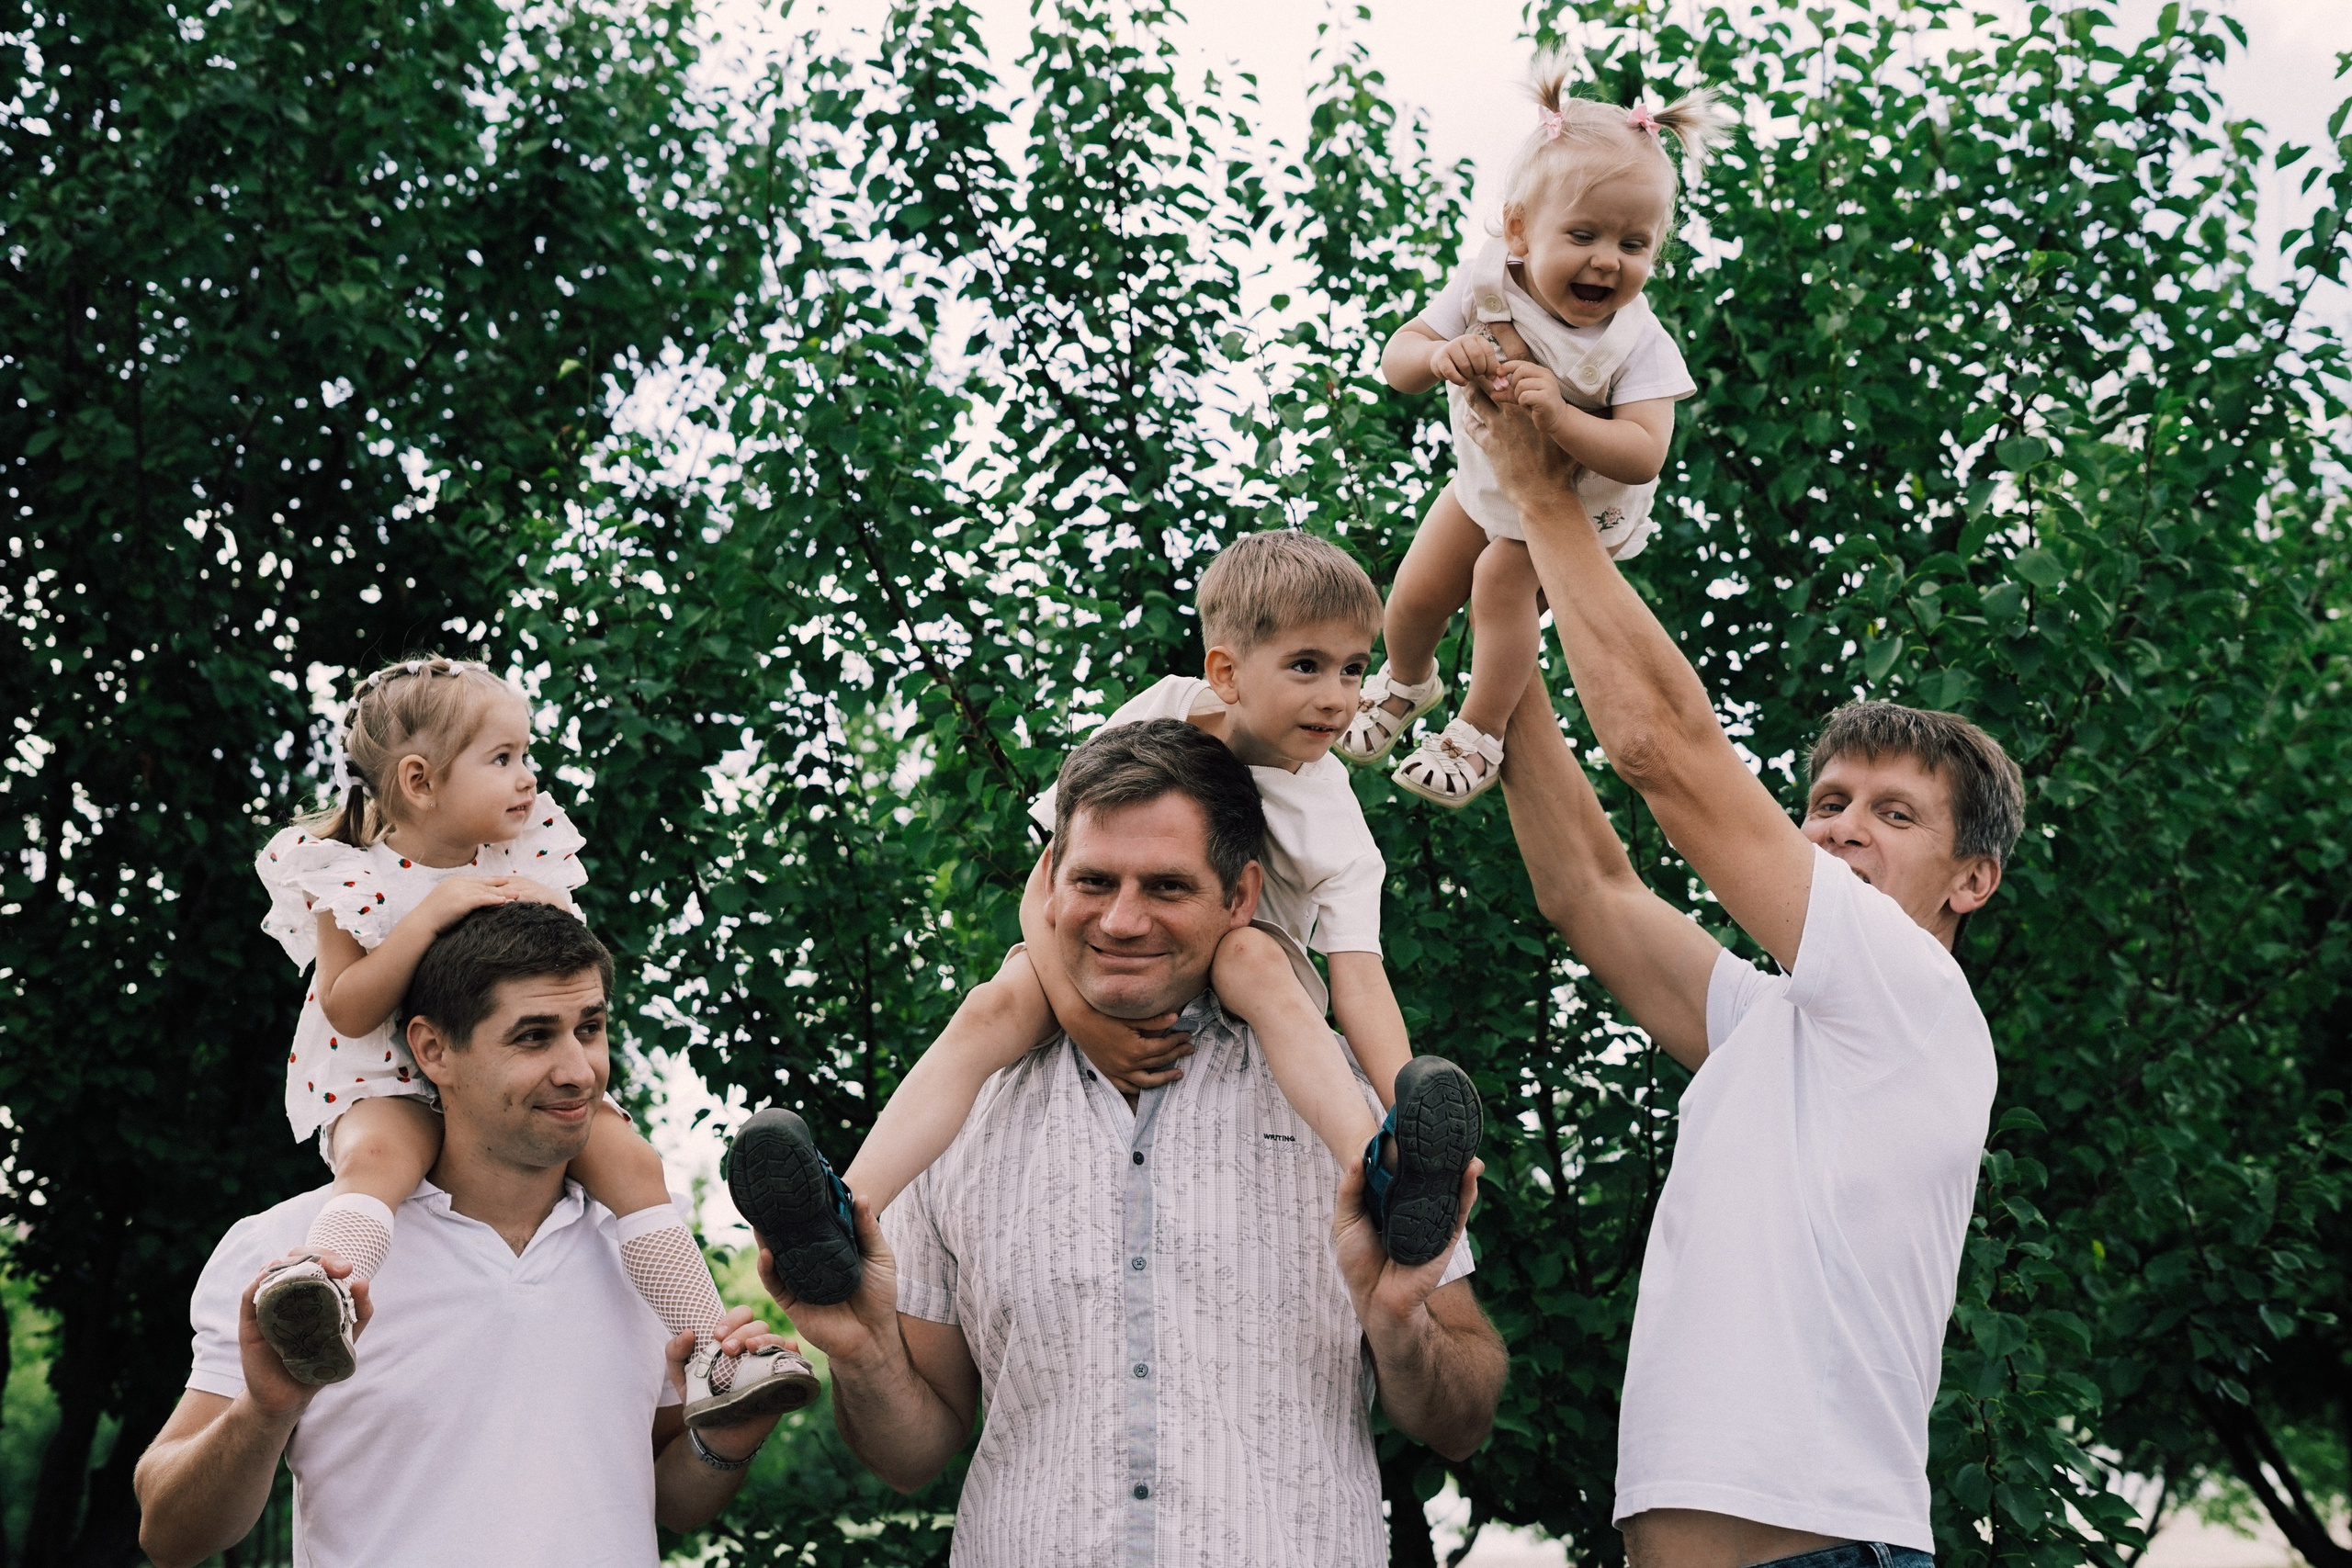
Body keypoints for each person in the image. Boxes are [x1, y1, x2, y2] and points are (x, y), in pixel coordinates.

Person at [1470, 378, 2023, 1565]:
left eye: (1893, 811)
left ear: (1969, 879)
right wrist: (1497, 657)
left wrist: (1540, 492)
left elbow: (1664, 752)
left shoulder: (1912, 996)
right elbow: (1592, 890)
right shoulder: (1785, 1022)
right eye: (1824, 803)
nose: (1839, 829)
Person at [746, 721, 1509, 1567]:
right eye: (1094, 880)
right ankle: (835, 1207)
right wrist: (861, 1353)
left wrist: (1403, 1320)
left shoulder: (1346, 1106)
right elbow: (911, 1453)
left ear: (1241, 896)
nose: (1122, 918)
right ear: (1050, 887)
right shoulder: (959, 1116)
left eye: (1168, 886)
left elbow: (1463, 1419)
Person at [729, 530, 1482, 1313]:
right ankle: (841, 1213)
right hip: (1098, 954)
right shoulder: (1158, 714)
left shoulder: (1333, 824)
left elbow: (1360, 983)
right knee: (995, 1001)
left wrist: (1410, 1105)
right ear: (1225, 670)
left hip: (1247, 964)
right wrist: (1079, 1014)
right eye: (1307, 666)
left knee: (1249, 959)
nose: (1338, 696)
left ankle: (1387, 1169)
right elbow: (1046, 890)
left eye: (1355, 669)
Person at [134, 903, 796, 1568]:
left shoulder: (648, 1252)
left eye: (589, 1028)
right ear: (433, 1050)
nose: (578, 1070)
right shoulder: (297, 1255)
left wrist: (723, 1442)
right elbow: (168, 1534)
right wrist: (262, 1412)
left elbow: (666, 1501)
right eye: (533, 1037)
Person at [249, 656, 810, 1424]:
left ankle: (714, 1348)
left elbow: (565, 970)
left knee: (635, 1161)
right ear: (420, 780)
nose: (527, 779)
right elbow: (348, 1008)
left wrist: (543, 906)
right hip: (385, 1077)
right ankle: (325, 1292)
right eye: (503, 758)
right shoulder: (350, 874)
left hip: (513, 1084)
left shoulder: (526, 857)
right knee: (377, 1158)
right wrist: (430, 916)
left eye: (528, 757)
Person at [1342, 65, 1728, 807]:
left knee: (1498, 582)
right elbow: (1398, 360)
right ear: (1519, 228)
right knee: (1414, 594)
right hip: (1488, 481)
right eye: (1582, 234)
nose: (1608, 260)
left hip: (1577, 511)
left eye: (1635, 243)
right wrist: (1435, 354)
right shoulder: (1486, 284)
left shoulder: (1638, 345)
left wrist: (1563, 416)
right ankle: (1408, 680)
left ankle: (1478, 732)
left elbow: (1645, 451)